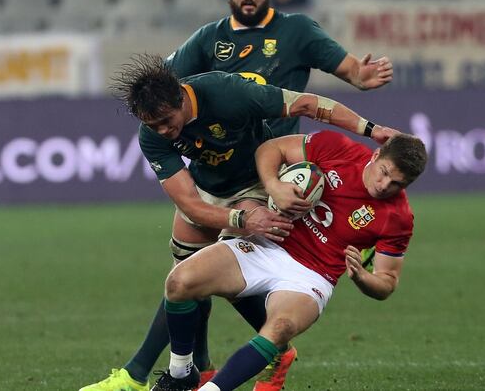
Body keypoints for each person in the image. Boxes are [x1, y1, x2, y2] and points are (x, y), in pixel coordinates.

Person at [81, 0, 393, 391]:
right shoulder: (204, 44)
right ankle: (198, 368)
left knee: (225, 273)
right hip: (210, 174)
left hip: (266, 167)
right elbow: (160, 90)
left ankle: (156, 372)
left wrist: (367, 108)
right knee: (186, 279)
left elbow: (325, 91)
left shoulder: (287, 40)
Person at [148, 130, 427, 391]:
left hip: (312, 276)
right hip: (267, 244)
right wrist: (273, 185)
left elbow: (387, 283)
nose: (384, 185)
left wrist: (363, 278)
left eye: (397, 184)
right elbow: (272, 148)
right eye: (384, 173)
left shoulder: (399, 219)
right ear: (376, 156)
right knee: (179, 282)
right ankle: (182, 373)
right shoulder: (338, 148)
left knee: (280, 328)